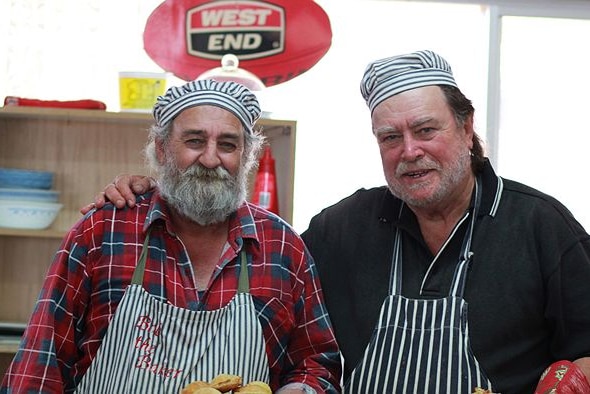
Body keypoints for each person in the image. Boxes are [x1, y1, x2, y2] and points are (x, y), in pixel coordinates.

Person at [79, 50, 590, 393]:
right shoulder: (344, 228)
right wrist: (160, 189)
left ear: (466, 125)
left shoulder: (542, 228)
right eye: (390, 137)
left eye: (426, 129)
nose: (410, 152)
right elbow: (265, 282)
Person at [0, 79, 342, 393]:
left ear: (247, 156)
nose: (210, 159)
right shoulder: (103, 232)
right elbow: (40, 365)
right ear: (162, 149)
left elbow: (316, 363)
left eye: (228, 144)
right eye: (194, 140)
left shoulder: (282, 245)